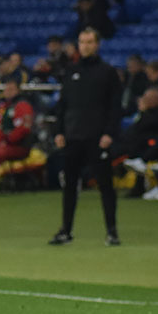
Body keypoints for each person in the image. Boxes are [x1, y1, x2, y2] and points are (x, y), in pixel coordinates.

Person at [50, 28, 123, 247]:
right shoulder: (70, 71)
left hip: (97, 137)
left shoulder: (107, 73)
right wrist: (59, 131)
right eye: (82, 42)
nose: (85, 46)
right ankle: (66, 230)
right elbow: (62, 105)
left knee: (105, 185)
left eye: (90, 42)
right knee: (70, 185)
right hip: (73, 136)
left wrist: (109, 132)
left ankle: (112, 231)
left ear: (97, 44)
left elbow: (115, 107)